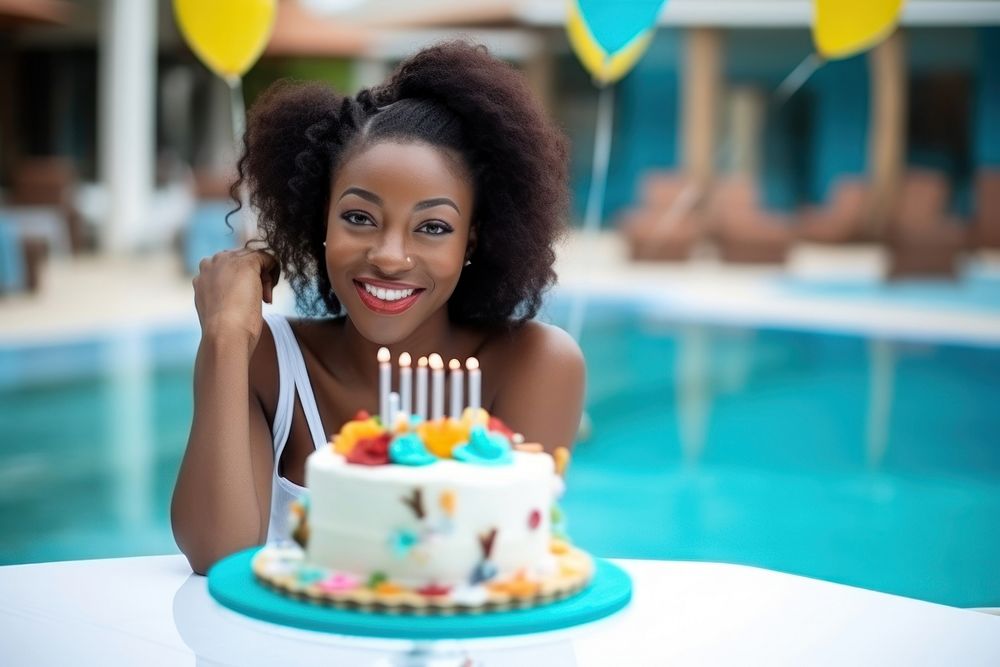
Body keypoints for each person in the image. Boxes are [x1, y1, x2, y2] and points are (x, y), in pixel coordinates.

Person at [171, 41, 585, 575]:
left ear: (472, 241)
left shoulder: (537, 363)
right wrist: (225, 336)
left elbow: (495, 566)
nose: (390, 257)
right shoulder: (263, 360)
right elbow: (217, 556)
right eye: (360, 218)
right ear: (322, 219)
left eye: (433, 227)